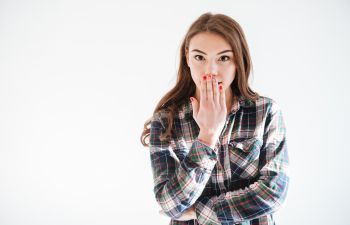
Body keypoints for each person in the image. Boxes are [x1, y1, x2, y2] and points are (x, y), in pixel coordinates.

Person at [140, 12, 289, 225]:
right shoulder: (166, 121)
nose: (210, 71)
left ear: (238, 60)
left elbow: (274, 193)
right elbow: (170, 204)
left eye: (224, 58)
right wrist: (207, 137)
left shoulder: (265, 112)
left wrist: (200, 211)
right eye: (200, 57)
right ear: (187, 58)